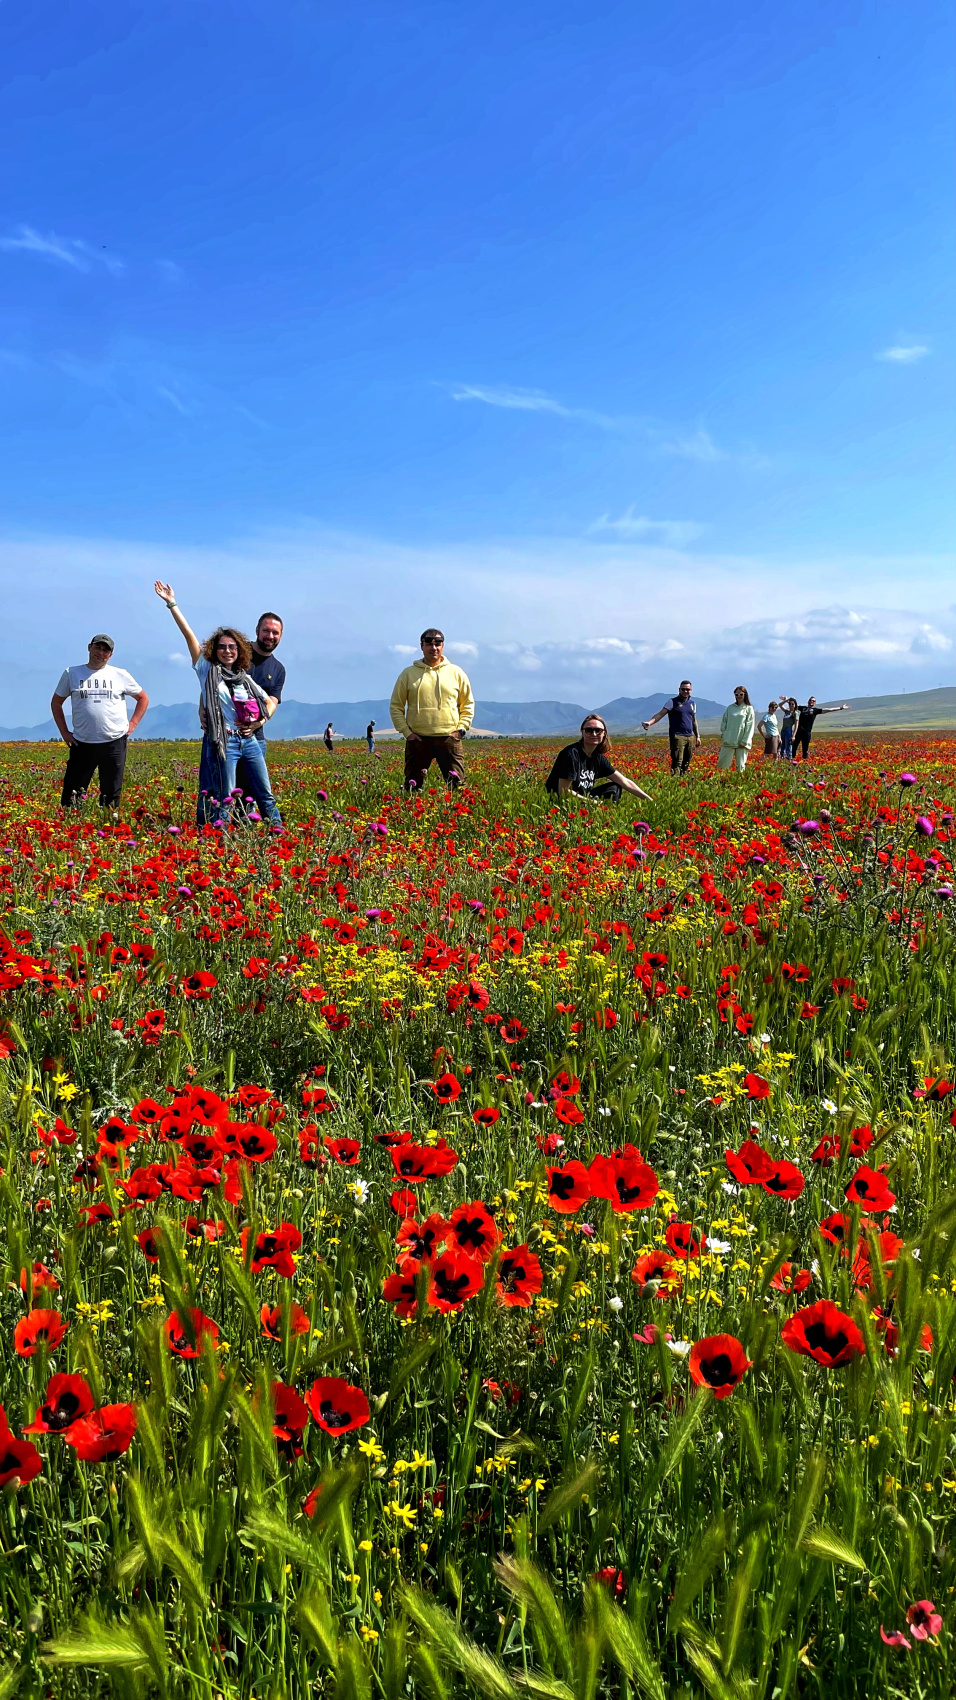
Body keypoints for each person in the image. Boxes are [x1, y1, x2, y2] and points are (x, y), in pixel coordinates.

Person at [153, 582, 281, 827]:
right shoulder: (206, 670)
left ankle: (278, 830)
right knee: (226, 796)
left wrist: (257, 722)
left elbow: (267, 702)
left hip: (250, 741)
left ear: (239, 650)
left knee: (265, 793)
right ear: (214, 649)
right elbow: (189, 636)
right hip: (226, 742)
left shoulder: (245, 678)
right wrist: (172, 604)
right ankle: (218, 840)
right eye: (222, 646)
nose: (227, 651)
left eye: (232, 647)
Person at [197, 612, 286, 824]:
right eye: (266, 630)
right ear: (257, 631)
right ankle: (209, 832)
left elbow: (270, 702)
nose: (270, 636)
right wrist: (203, 707)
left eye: (275, 632)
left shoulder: (278, 669)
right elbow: (209, 682)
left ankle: (251, 832)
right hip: (221, 736)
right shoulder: (233, 650)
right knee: (215, 790)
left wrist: (260, 722)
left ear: (281, 636)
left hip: (254, 737)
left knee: (254, 793)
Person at [51, 634, 149, 809]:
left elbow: (143, 698)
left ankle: (108, 828)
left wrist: (132, 724)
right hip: (83, 741)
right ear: (89, 647)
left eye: (106, 650)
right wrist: (64, 733)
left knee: (111, 794)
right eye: (98, 647)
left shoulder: (120, 674)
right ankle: (71, 827)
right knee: (72, 794)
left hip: (114, 741)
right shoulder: (71, 673)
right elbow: (56, 702)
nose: (101, 653)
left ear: (110, 655)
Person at [390, 628, 474, 790]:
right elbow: (396, 706)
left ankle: (458, 815)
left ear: (443, 646)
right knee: (412, 787)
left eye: (438, 643)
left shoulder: (456, 673)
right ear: (422, 646)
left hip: (449, 739)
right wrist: (407, 733)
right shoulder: (408, 674)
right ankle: (410, 815)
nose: (433, 647)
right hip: (418, 740)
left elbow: (467, 703)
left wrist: (461, 729)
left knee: (458, 787)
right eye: (428, 643)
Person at [545, 714, 653, 803]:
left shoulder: (598, 758)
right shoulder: (570, 754)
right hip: (563, 802)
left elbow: (624, 781)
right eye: (589, 730)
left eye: (598, 730)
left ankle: (608, 814)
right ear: (582, 732)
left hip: (583, 799)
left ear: (604, 734)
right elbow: (563, 792)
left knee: (615, 788)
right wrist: (593, 803)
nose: (594, 733)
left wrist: (649, 801)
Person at [641, 681, 700, 775]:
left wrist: (697, 736)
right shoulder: (672, 702)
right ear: (679, 690)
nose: (685, 691)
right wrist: (649, 723)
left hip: (690, 736)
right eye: (683, 689)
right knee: (678, 761)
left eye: (687, 689)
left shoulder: (692, 704)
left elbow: (694, 721)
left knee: (687, 762)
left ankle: (683, 781)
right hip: (677, 736)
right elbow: (660, 714)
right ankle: (675, 781)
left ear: (691, 691)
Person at [792, 695, 851, 761]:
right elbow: (793, 705)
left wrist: (841, 708)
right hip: (799, 731)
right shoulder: (802, 708)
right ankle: (792, 759)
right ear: (808, 701)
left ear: (815, 703)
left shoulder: (815, 710)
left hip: (807, 732)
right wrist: (786, 700)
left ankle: (804, 761)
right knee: (794, 746)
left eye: (813, 701)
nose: (811, 701)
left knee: (805, 748)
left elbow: (829, 710)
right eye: (810, 700)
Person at [718, 687, 756, 773]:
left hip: (742, 742)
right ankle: (722, 782)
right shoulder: (730, 708)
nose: (739, 696)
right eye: (737, 694)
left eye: (741, 694)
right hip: (729, 740)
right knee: (723, 765)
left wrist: (745, 740)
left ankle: (740, 782)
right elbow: (724, 722)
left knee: (741, 767)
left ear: (745, 695)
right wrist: (724, 734)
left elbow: (750, 726)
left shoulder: (749, 708)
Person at [779, 697, 798, 762]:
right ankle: (782, 759)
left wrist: (793, 736)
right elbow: (780, 705)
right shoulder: (787, 711)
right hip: (783, 730)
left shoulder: (795, 713)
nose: (791, 705)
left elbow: (796, 725)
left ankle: (789, 760)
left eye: (792, 704)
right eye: (790, 704)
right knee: (782, 746)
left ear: (795, 705)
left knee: (788, 746)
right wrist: (786, 700)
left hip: (789, 731)